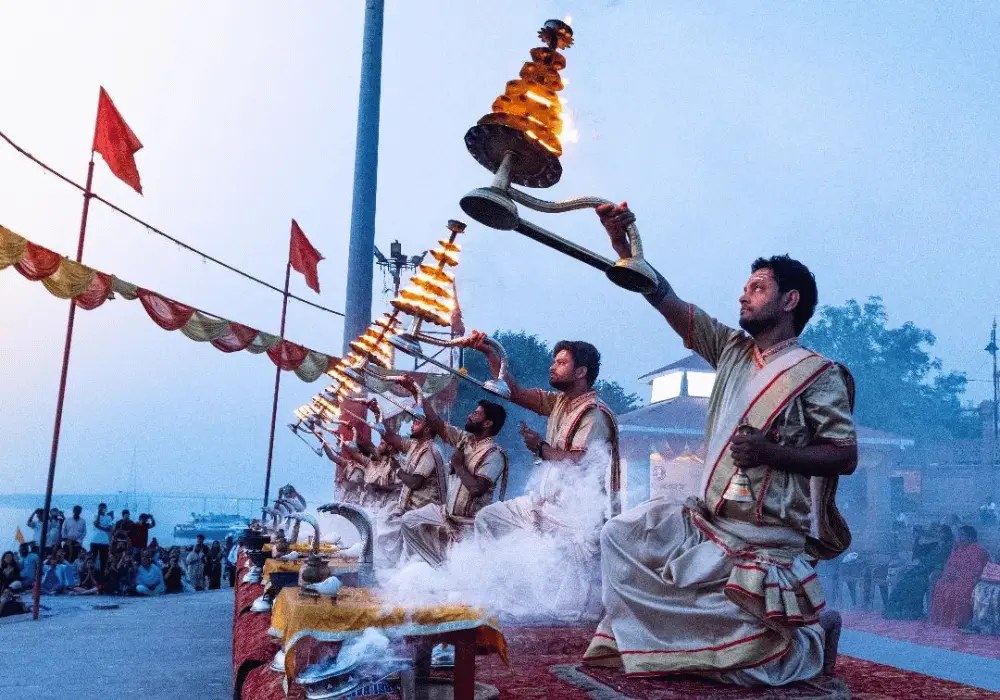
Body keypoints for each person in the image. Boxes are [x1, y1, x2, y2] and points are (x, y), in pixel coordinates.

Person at [583, 204, 857, 685]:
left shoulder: (818, 373)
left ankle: (808, 637)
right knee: (616, 535)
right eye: (745, 288)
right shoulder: (730, 348)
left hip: (765, 537)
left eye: (757, 288)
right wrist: (626, 248)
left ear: (789, 300)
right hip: (706, 522)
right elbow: (664, 298)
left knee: (748, 675)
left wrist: (772, 454)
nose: (743, 296)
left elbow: (844, 454)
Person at [465, 335, 621, 541]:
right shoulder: (560, 402)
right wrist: (489, 353)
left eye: (561, 363)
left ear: (581, 372)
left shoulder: (594, 413)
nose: (552, 367)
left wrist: (540, 447)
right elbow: (516, 393)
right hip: (546, 506)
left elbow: (580, 462)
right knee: (488, 518)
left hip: (575, 519)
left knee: (550, 569)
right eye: (554, 361)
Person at [399, 392, 509, 567]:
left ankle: (443, 571)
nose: (470, 415)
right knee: (408, 521)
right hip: (446, 514)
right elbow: (436, 423)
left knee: (461, 574)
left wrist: (458, 465)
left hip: (469, 524)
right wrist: (415, 392)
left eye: (476, 414)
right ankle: (437, 566)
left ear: (488, 423)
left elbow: (477, 489)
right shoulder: (464, 439)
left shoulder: (494, 454)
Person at [376, 414, 447, 567]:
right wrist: (377, 413)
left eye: (417, 422)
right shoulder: (415, 445)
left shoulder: (430, 451)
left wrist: (397, 470)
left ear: (427, 428)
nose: (412, 425)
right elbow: (390, 436)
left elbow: (415, 483)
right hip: (409, 511)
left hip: (423, 514)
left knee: (418, 562)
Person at [883, 524, 952, 620]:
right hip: (924, 568)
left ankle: (914, 611)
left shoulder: (948, 545)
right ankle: (901, 610)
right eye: (937, 532)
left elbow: (937, 559)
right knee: (906, 580)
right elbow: (921, 554)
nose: (938, 534)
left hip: (933, 570)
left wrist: (924, 564)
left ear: (946, 533)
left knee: (917, 582)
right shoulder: (935, 544)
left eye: (940, 532)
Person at [930, 525, 990, 628]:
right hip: (954, 577)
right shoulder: (958, 548)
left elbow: (976, 569)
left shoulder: (978, 550)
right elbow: (950, 563)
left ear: (971, 537)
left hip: (969, 579)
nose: (960, 538)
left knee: (957, 590)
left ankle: (960, 620)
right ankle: (944, 619)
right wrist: (948, 574)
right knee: (941, 584)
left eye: (963, 535)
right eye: (960, 535)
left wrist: (958, 576)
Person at [90, 503, 113, 576]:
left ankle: (102, 577)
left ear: (106, 509)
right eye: (100, 508)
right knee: (92, 559)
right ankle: (91, 575)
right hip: (94, 541)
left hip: (104, 542)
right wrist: (99, 515)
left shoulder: (108, 517)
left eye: (103, 508)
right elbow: (96, 524)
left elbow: (109, 529)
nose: (102, 509)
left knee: (104, 560)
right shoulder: (95, 516)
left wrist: (99, 527)